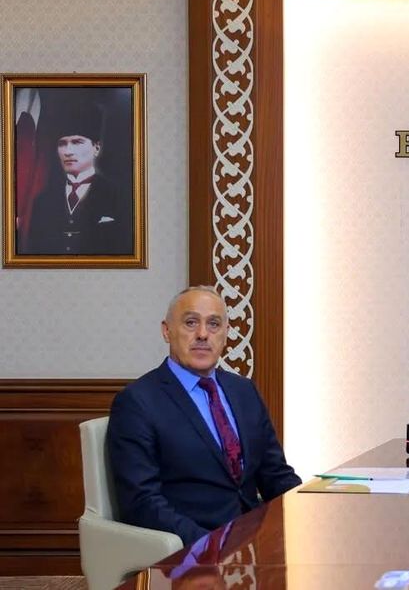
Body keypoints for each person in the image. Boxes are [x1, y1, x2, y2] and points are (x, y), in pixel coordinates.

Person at [107, 286, 301, 545]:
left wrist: (310, 516)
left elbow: (275, 475)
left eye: (213, 324)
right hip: (193, 550)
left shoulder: (244, 391)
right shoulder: (138, 402)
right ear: (167, 331)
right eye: (190, 323)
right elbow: (142, 503)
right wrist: (211, 545)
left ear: (226, 334)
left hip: (254, 541)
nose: (202, 334)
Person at [22, 98, 132, 255]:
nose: (68, 151)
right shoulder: (42, 200)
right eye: (62, 143)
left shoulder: (119, 197)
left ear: (96, 147)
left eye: (77, 142)